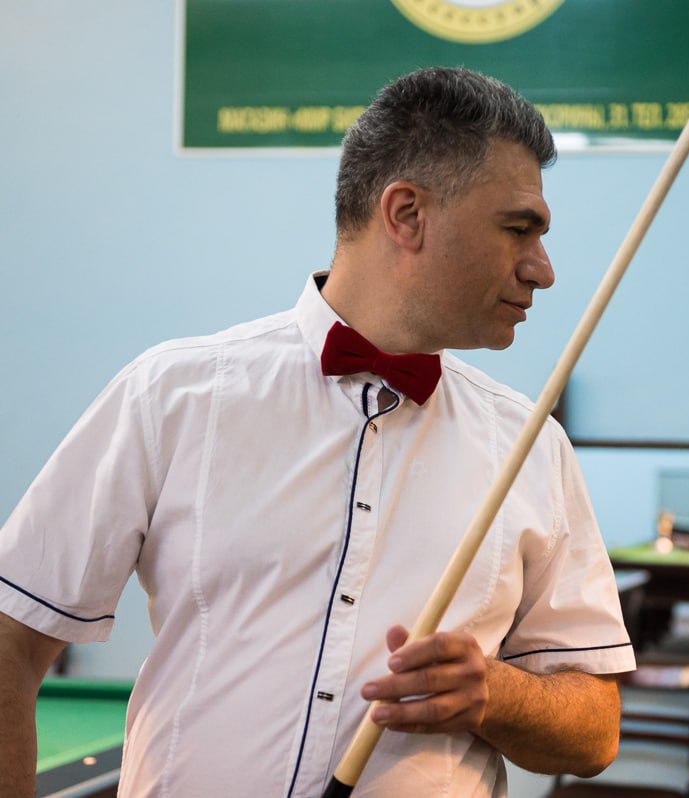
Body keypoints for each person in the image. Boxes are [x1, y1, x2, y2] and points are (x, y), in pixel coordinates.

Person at [0, 67, 635, 797]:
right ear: (407, 214)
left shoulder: (531, 447)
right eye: (518, 229)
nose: (542, 270)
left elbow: (595, 732)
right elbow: (10, 640)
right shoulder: (172, 395)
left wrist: (494, 692)